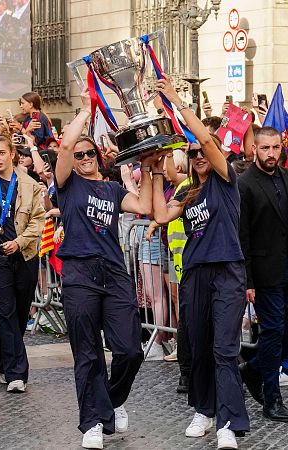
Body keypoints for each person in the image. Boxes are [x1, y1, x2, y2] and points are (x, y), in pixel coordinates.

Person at [151, 76, 249, 449]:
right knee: (202, 345)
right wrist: (155, 168)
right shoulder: (186, 192)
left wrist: (176, 100)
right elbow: (160, 216)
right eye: (191, 154)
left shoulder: (227, 180)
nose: (198, 156)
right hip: (194, 275)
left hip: (227, 271)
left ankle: (228, 421)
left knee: (225, 348)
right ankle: (204, 410)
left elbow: (207, 138)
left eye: (201, 152)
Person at [55, 88, 152, 449]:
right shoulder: (67, 186)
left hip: (113, 273)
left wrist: (150, 169)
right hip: (79, 272)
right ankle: (93, 422)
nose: (84, 158)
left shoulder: (111, 189)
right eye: (80, 154)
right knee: (88, 353)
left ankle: (112, 400)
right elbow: (64, 148)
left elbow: (144, 206)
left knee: (129, 350)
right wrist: (85, 108)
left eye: (90, 153)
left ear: (98, 155)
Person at [0, 135, 45, 394]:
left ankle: (5, 360)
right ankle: (17, 373)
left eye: (1, 153)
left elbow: (38, 220)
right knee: (5, 312)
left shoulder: (29, 185)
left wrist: (19, 242)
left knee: (19, 313)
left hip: (24, 254)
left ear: (11, 154)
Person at [237, 126, 288, 422]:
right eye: (266, 148)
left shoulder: (285, 177)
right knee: (274, 332)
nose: (271, 154)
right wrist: (248, 280)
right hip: (264, 273)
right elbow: (242, 236)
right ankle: (272, 399)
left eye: (276, 148)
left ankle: (252, 369)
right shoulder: (245, 184)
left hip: (285, 270)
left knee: (282, 335)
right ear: (255, 149)